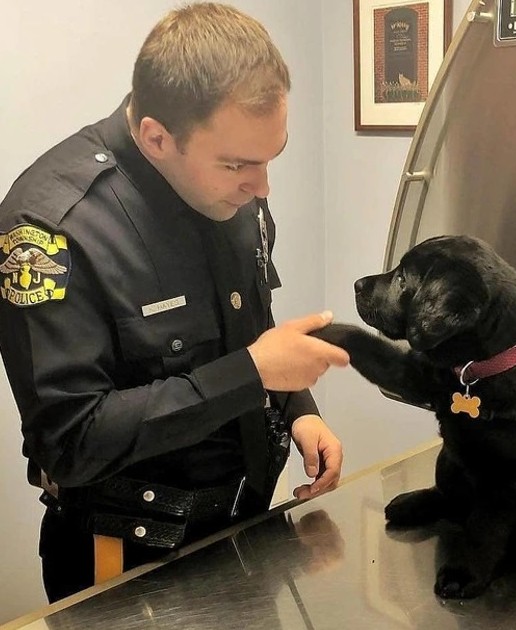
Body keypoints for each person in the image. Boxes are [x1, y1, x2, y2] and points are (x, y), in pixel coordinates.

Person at [0, 3, 350, 603]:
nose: (262, 187)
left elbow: (248, 327)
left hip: (247, 526)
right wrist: (254, 374)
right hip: (129, 560)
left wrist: (297, 409)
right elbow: (72, 441)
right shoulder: (54, 227)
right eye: (239, 164)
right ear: (157, 137)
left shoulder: (230, 188)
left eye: (273, 156)